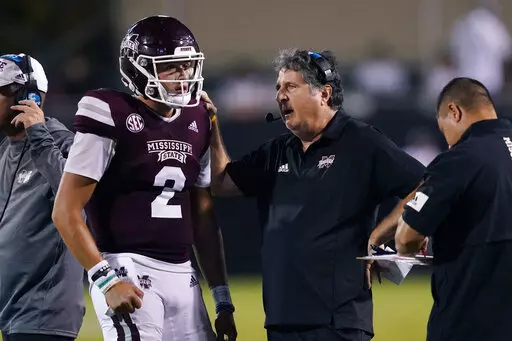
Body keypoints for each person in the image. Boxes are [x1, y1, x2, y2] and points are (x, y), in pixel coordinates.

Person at [207, 48, 425, 341]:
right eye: (278, 88)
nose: (280, 96)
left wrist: (380, 235)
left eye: (290, 87)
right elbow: (221, 183)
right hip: (281, 320)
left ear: (324, 93)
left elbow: (425, 185)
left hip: (338, 322)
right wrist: (211, 125)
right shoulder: (276, 151)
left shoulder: (362, 141)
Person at [51, 16, 237, 341]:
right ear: (138, 70)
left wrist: (222, 300)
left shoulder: (199, 117)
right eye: (171, 67)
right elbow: (65, 211)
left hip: (183, 273)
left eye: (187, 66)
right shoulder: (109, 110)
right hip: (128, 267)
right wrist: (106, 280)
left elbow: (203, 216)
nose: (183, 77)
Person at [395, 77, 512, 341]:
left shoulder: (460, 158)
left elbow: (405, 239)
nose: (448, 142)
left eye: (445, 130)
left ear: (454, 112)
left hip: (472, 321)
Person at [0, 53, 85, 341]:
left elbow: (77, 197)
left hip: (44, 315)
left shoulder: (64, 144)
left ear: (29, 97)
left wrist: (38, 134)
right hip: (12, 312)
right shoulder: (4, 152)